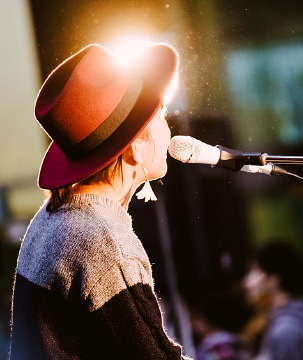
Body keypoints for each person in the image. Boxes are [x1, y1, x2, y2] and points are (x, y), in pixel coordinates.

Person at [9, 42, 192, 359]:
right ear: (135, 149)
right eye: (160, 115)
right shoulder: (106, 243)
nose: (168, 126)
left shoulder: (52, 216)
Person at [242, 241, 303, 360]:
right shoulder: (278, 321)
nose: (245, 283)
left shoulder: (285, 330)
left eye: (253, 272)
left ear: (273, 279)